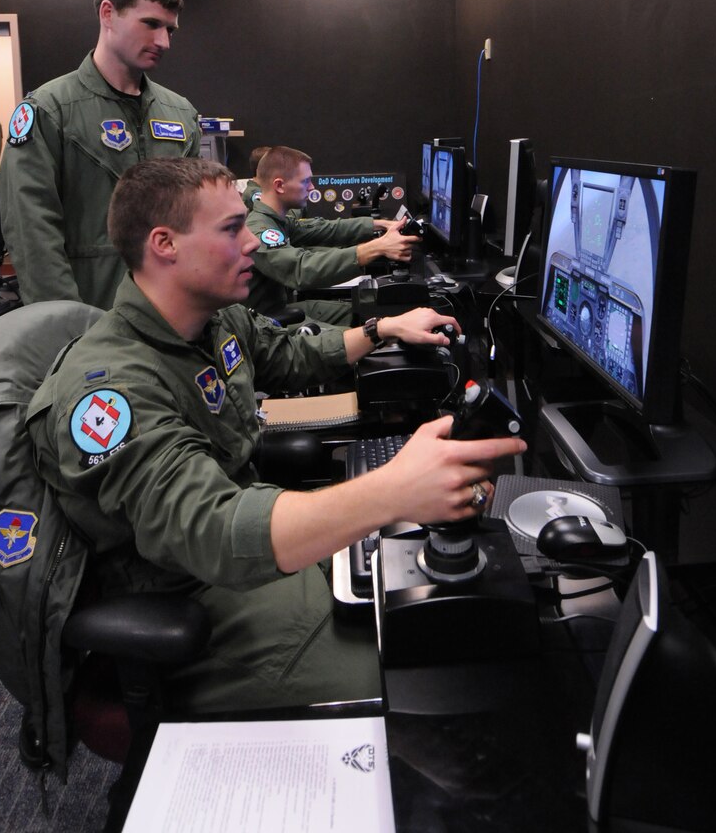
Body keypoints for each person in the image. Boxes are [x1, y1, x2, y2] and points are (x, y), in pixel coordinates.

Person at [27, 157, 524, 714]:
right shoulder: (109, 393)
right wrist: (392, 490)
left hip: (250, 541)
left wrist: (382, 328)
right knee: (407, 676)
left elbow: (287, 352)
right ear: (164, 244)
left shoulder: (210, 318)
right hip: (195, 594)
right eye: (231, 230)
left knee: (441, 605)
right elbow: (211, 530)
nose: (251, 245)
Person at [0, 0, 202, 310]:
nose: (163, 41)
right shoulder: (50, 110)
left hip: (172, 316)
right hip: (91, 314)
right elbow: (32, 233)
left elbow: (197, 221)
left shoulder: (181, 113)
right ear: (108, 13)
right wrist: (65, 325)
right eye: (151, 24)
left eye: (170, 30)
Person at [246, 145, 420, 325]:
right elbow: (301, 269)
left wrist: (377, 224)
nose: (312, 187)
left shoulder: (277, 220)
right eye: (305, 181)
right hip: (262, 325)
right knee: (366, 331)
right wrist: (377, 247)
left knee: (362, 313)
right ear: (280, 186)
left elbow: (325, 229)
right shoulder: (260, 229)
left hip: (280, 309)